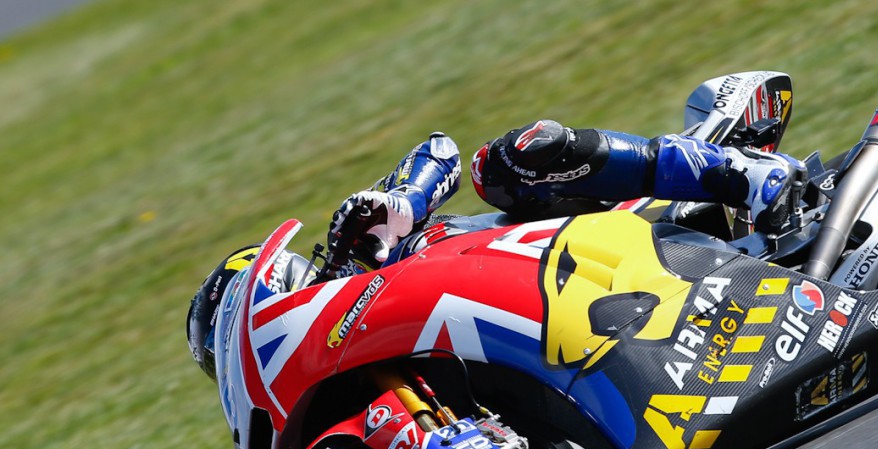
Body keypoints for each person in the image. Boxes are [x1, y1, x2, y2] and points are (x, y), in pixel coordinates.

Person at [187, 121, 806, 380]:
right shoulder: (364, 380)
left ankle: (735, 172)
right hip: (593, 333)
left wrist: (403, 201)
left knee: (505, 159)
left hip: (579, 246)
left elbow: (441, 149)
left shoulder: (363, 238)